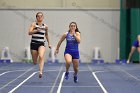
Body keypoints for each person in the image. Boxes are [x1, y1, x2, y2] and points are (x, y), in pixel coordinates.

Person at [28, 12, 51, 78]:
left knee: (41, 56)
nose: (40, 17)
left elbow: (46, 35)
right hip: (34, 44)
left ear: (43, 17)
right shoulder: (34, 24)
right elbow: (29, 33)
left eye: (41, 16)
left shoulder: (45, 26)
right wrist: (36, 30)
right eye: (38, 16)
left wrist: (49, 43)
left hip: (41, 43)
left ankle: (40, 72)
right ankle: (35, 61)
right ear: (36, 17)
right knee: (35, 61)